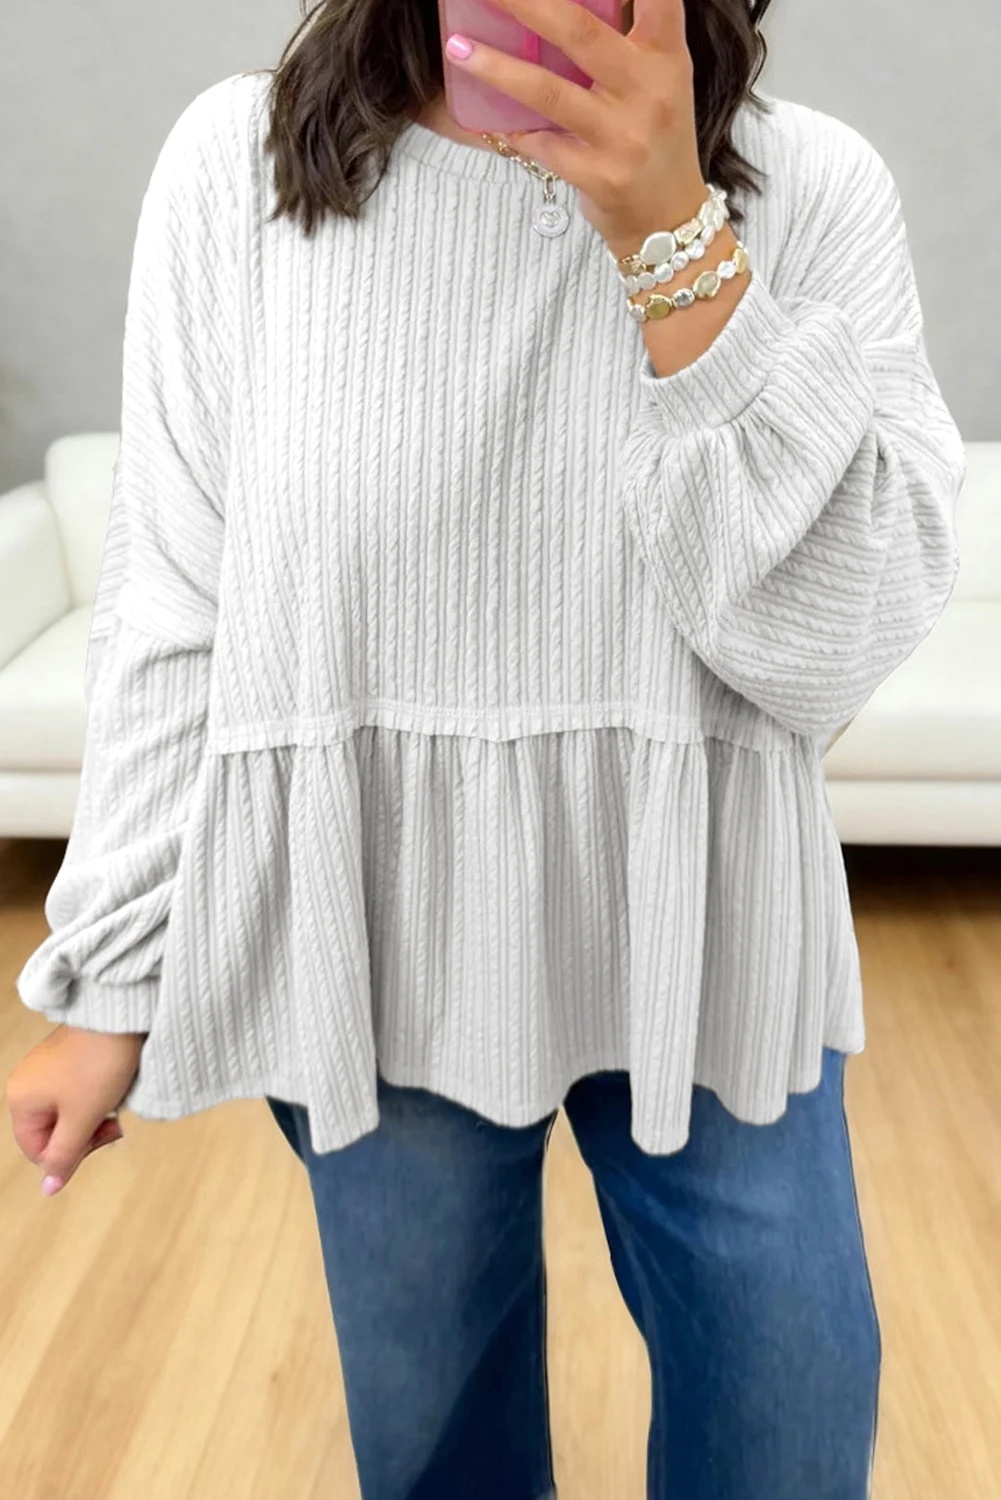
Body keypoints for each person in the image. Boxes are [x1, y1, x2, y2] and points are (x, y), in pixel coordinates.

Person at [7, 0, 966, 1494]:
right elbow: (177, 607)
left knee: (788, 1418)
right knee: (439, 1449)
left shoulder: (815, 188)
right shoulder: (240, 170)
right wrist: (117, 974)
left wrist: (673, 246)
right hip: (382, 936)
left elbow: (828, 650)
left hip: (712, 931)